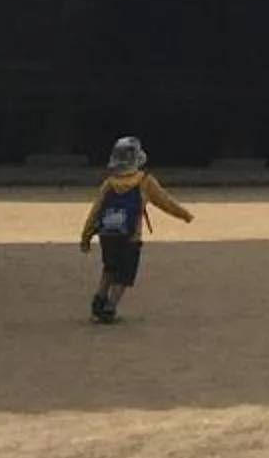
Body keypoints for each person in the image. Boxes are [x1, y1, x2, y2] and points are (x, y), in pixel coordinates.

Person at [79, 136, 193, 324]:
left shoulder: (109, 183)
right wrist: (184, 215)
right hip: (130, 236)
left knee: (109, 268)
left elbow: (96, 211)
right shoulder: (144, 181)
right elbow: (165, 201)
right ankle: (110, 307)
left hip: (108, 235)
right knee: (124, 274)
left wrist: (86, 236)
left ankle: (98, 301)